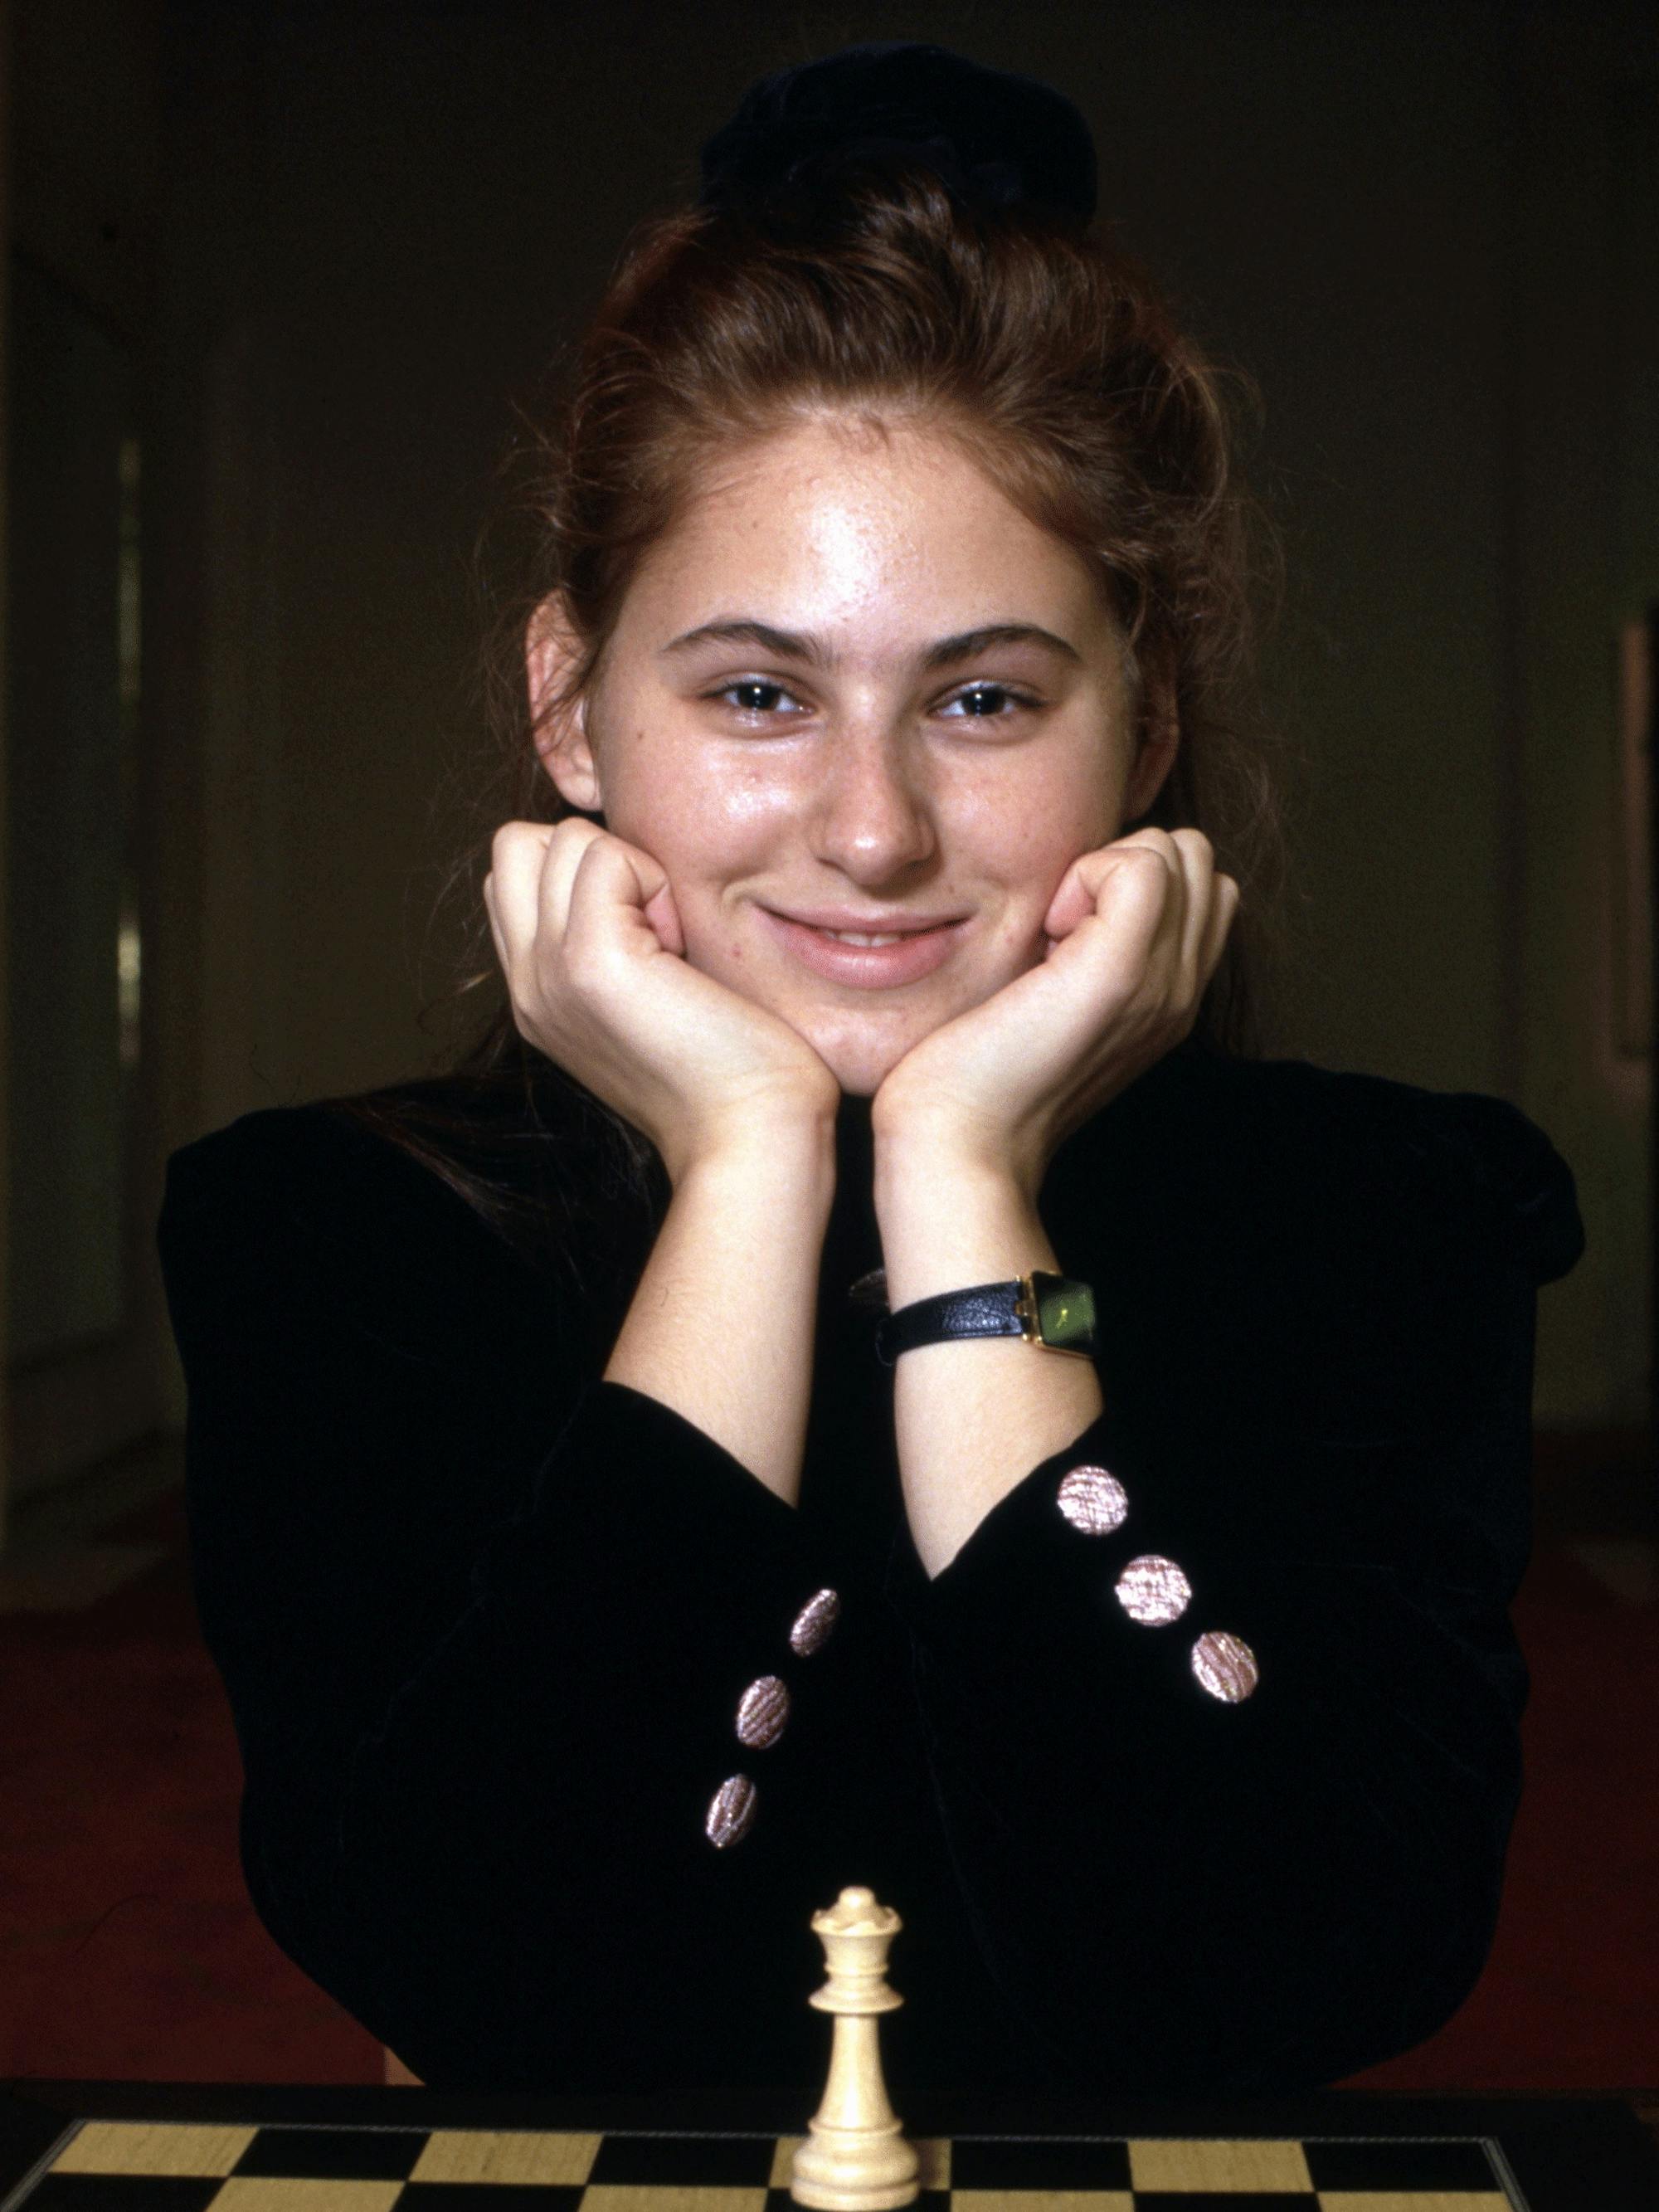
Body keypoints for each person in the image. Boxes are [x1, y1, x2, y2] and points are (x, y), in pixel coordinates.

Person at [157, 42, 1585, 2099]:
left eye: (986, 697)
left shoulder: (1384, 1218)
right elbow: (481, 1974)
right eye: (756, 689)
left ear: (1146, 717)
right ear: (570, 703)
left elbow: (1295, 1967)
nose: (873, 829)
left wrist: (962, 1196)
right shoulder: (333, 1232)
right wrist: (745, 1170)